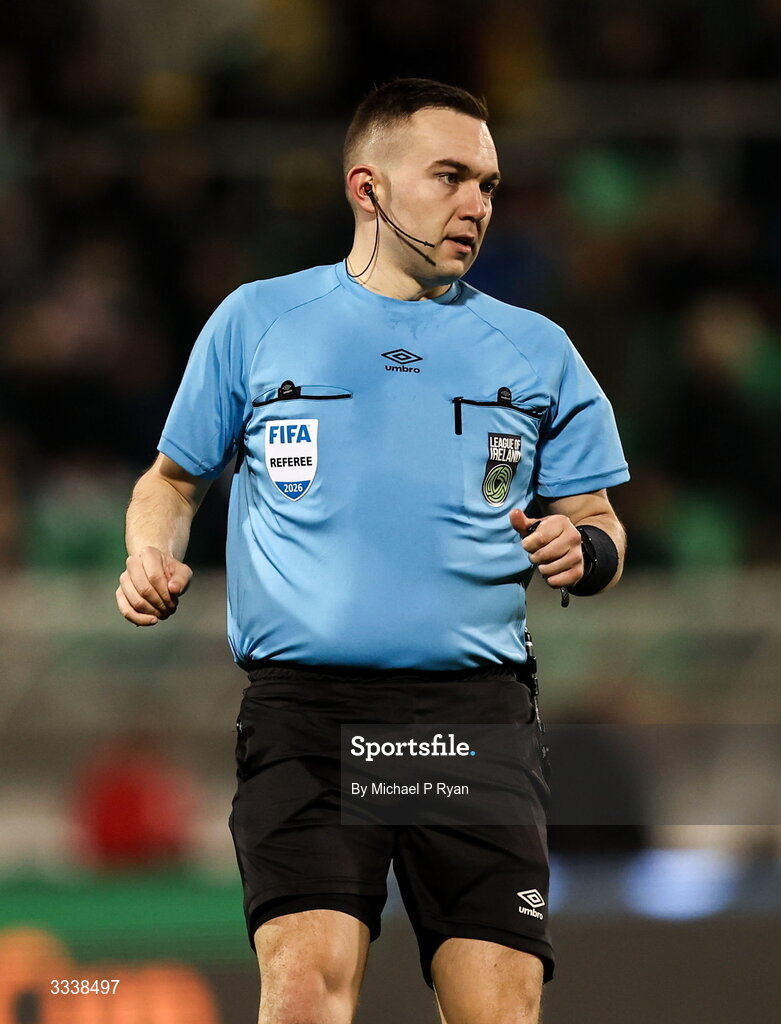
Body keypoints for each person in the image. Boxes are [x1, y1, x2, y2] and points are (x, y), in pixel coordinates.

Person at [116, 78, 629, 1024]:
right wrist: (150, 552)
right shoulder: (257, 320)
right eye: (449, 176)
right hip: (309, 716)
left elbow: (598, 521)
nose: (475, 203)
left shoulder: (536, 349)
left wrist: (581, 549)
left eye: (487, 183)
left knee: (499, 1011)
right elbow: (172, 481)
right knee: (306, 989)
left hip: (469, 716)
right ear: (368, 186)